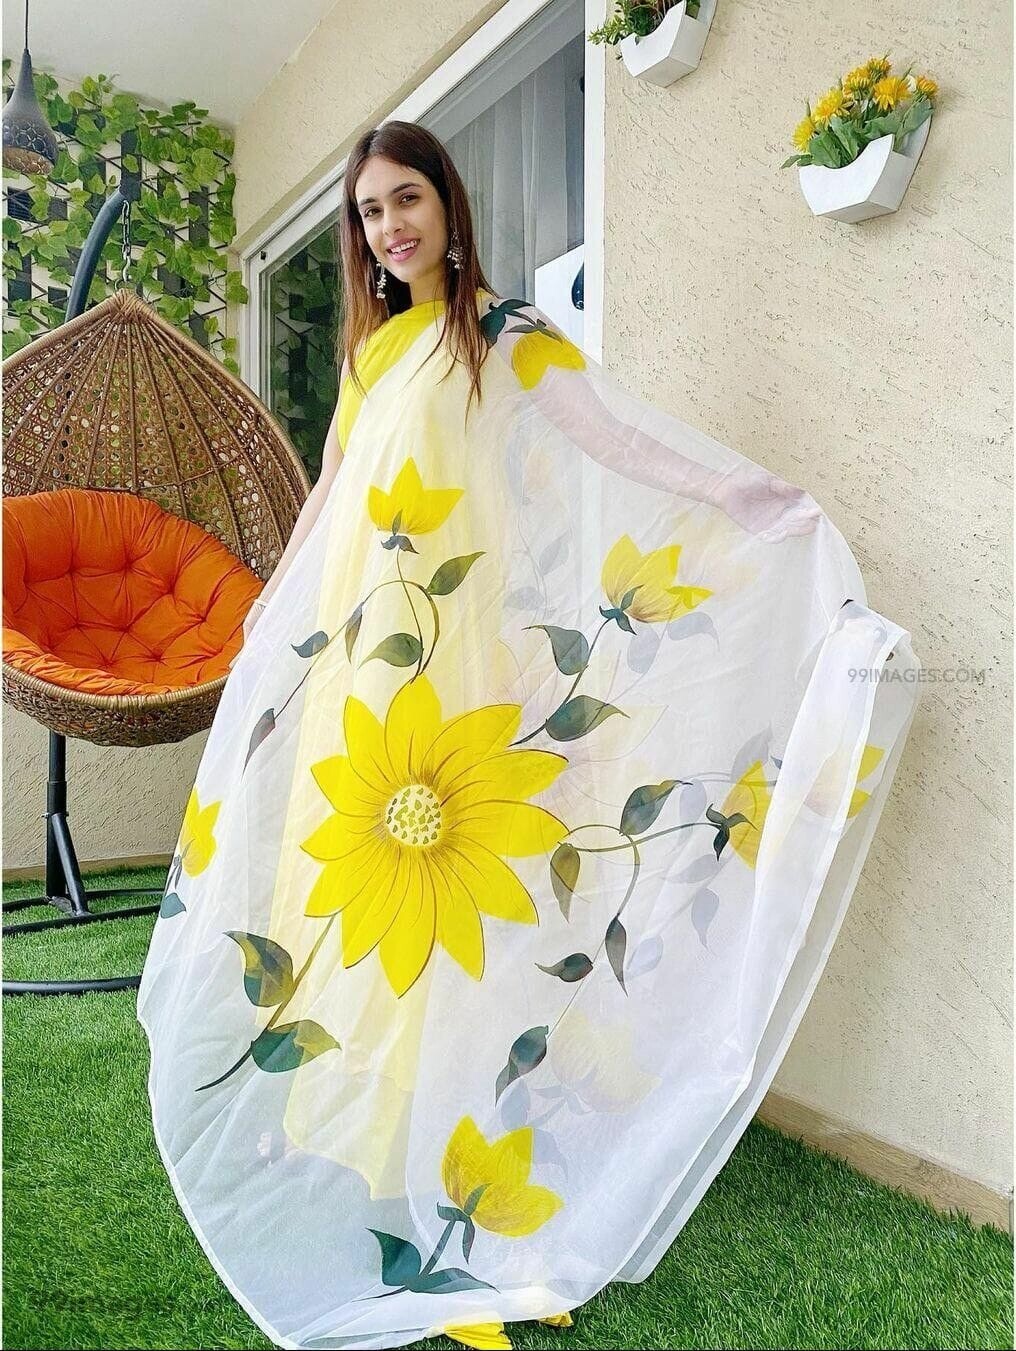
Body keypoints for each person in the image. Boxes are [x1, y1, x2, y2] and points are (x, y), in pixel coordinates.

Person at [138, 120, 921, 1351]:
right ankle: (368, 1136)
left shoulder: (500, 335)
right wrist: (266, 624)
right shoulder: (371, 353)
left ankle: (464, 1165)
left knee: (465, 912)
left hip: (456, 673)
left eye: (407, 199)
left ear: (447, 205)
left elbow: (618, 439)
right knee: (356, 903)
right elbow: (330, 498)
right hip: (364, 672)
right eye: (370, 212)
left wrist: (750, 501)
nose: (391, 227)